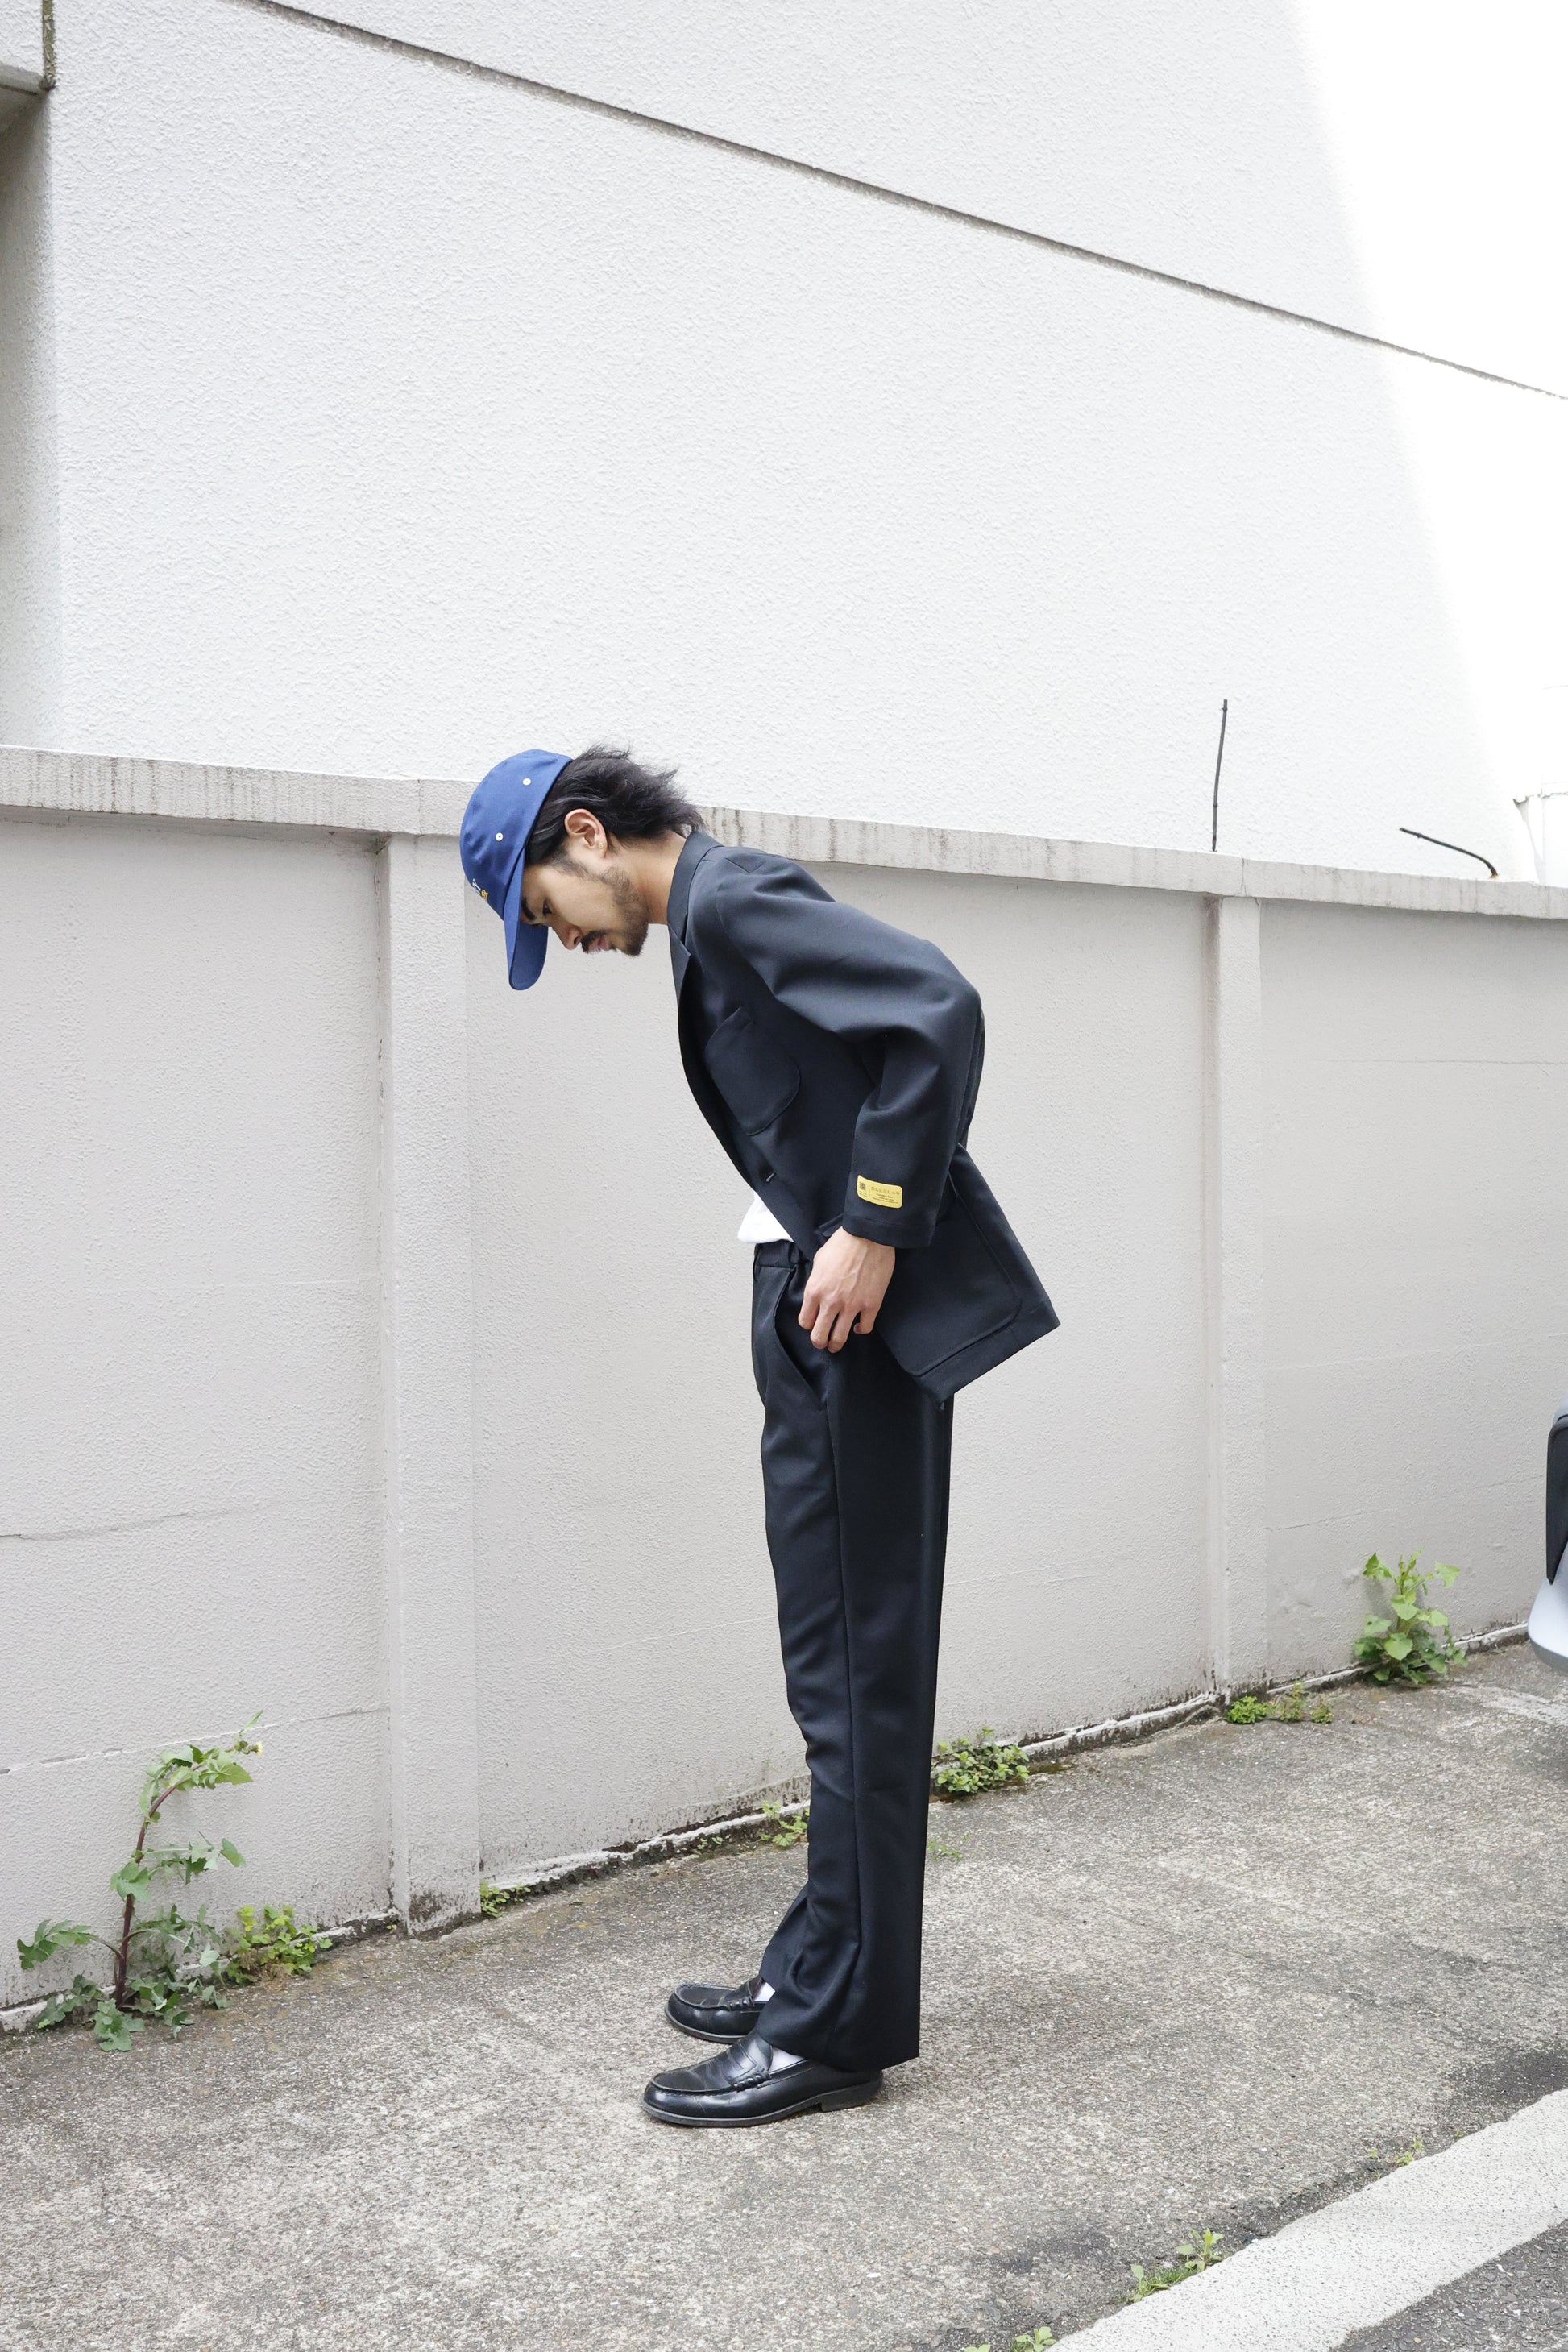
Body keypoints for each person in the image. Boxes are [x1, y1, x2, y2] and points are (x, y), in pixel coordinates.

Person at [460, 745, 1058, 2126]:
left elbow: (935, 1005)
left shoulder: (729, 900)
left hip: (849, 1308)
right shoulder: (702, 920)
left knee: (854, 1675)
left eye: (546, 909)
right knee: (832, 1668)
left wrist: (872, 1224)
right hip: (814, 1300)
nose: (566, 939)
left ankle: (834, 2028)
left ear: (586, 835)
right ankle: (816, 1962)